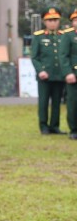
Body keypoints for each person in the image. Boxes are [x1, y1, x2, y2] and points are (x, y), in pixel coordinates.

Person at [30, 7, 66, 135]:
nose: (53, 23)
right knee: (43, 102)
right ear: (45, 22)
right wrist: (40, 70)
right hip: (44, 75)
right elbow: (34, 57)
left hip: (59, 75)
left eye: (55, 20)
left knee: (57, 102)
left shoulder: (63, 36)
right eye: (50, 20)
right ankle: (43, 125)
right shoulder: (38, 37)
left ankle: (54, 126)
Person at [63, 10, 77, 139]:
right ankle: (74, 129)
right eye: (75, 20)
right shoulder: (68, 35)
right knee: (73, 103)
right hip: (74, 74)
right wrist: (68, 73)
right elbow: (63, 56)